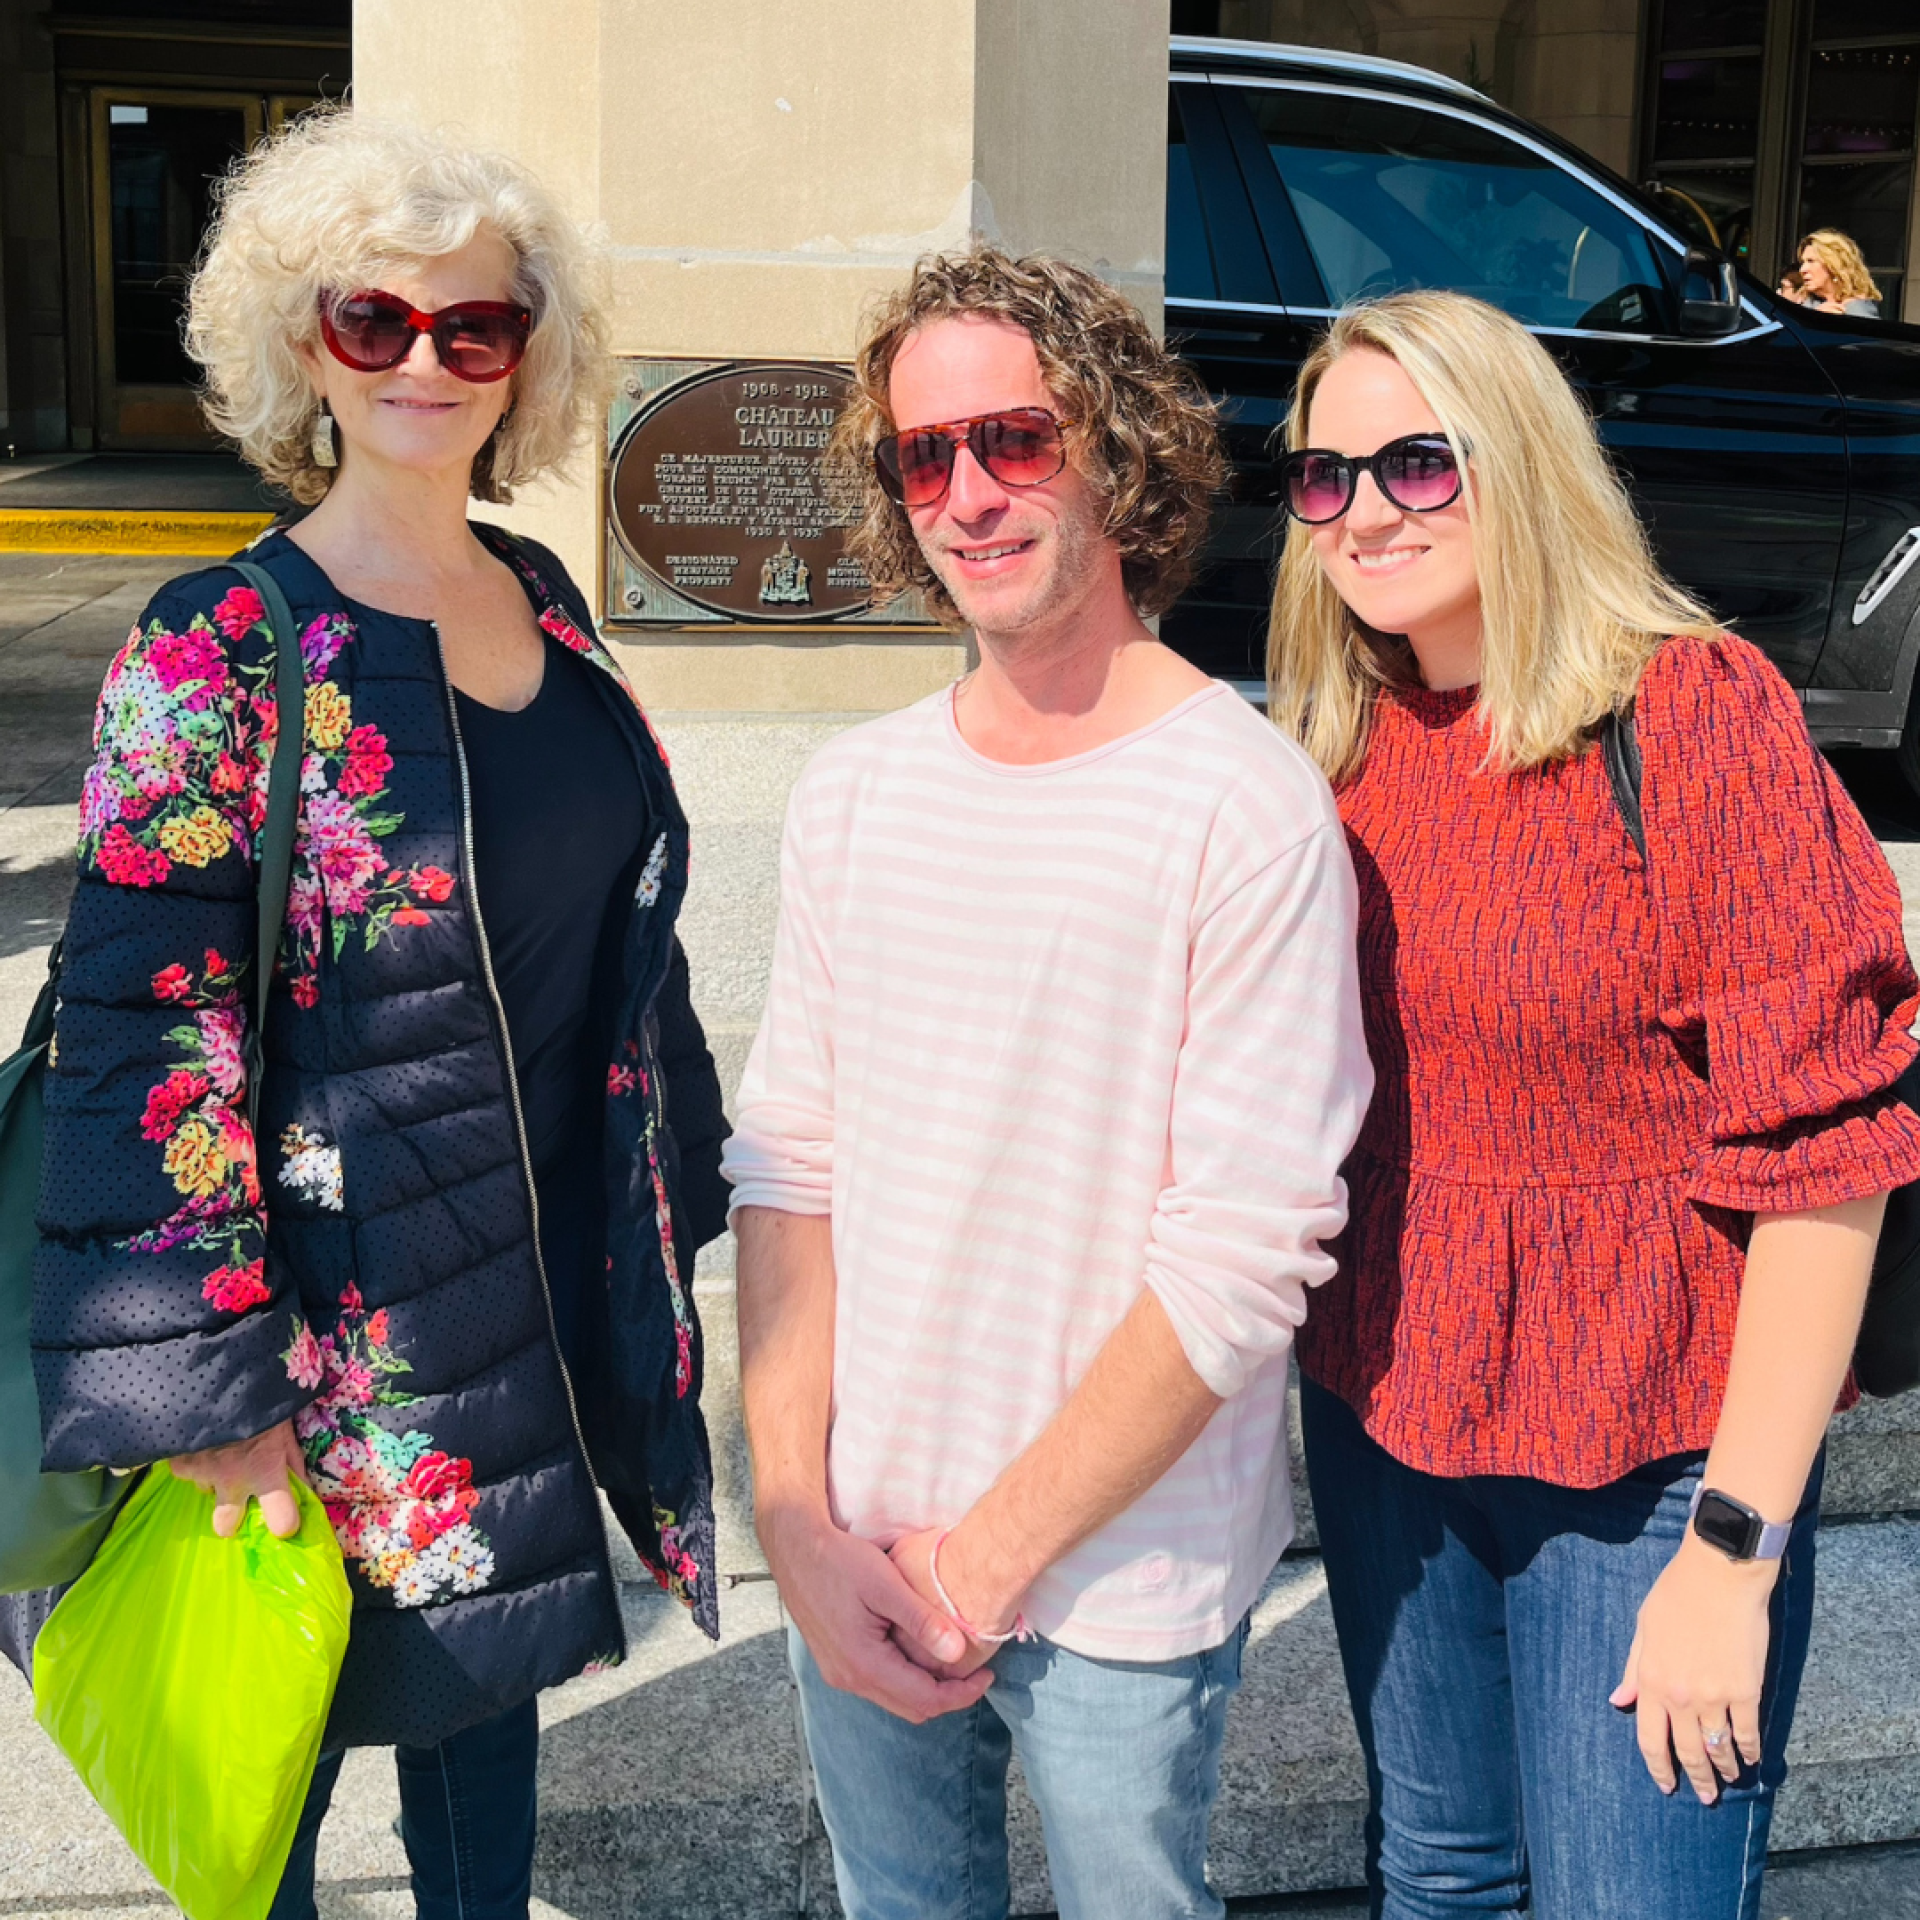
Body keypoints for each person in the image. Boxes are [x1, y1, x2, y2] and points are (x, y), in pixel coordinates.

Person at [28, 111, 730, 1919]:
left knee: (482, 1753)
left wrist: (675, 1203)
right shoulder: (217, 643)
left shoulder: (548, 605)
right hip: (315, 1350)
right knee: (267, 1791)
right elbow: (139, 1018)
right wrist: (199, 1379)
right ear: (303, 344)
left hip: (517, 1301)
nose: (426, 361)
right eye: (374, 322)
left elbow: (616, 943)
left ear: (526, 357)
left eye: (473, 327)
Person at [724, 245, 1371, 1920]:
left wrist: (987, 1557)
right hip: (863, 1542)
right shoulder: (854, 794)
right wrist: (792, 1508)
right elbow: (789, 1169)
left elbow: (1241, 1253)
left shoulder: (1246, 806)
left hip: (1126, 1580)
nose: (968, 494)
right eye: (921, 456)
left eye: (1014, 439)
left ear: (1117, 447)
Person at [1267, 289, 1920, 1919]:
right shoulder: (1323, 747)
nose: (1364, 511)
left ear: (1523, 460)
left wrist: (1733, 1550)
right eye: (1325, 475)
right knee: (1439, 1883)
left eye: (1417, 463)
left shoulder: (1699, 721)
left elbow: (1827, 1162)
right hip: (1387, 1426)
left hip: (1653, 1466)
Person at [1786, 228, 1882, 315]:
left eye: (1811, 261)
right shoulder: (1803, 303)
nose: (1802, 270)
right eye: (1803, 262)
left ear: (1834, 265)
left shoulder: (1857, 309)